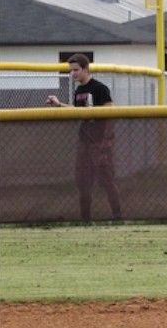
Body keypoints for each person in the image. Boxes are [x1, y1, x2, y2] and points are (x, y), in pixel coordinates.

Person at [46, 53, 122, 221]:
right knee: (82, 182)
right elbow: (77, 110)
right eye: (71, 71)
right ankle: (85, 219)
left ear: (86, 69)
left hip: (100, 142)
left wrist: (106, 142)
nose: (73, 74)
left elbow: (111, 114)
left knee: (106, 180)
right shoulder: (79, 90)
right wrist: (59, 105)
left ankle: (118, 215)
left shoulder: (100, 88)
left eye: (76, 70)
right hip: (85, 142)